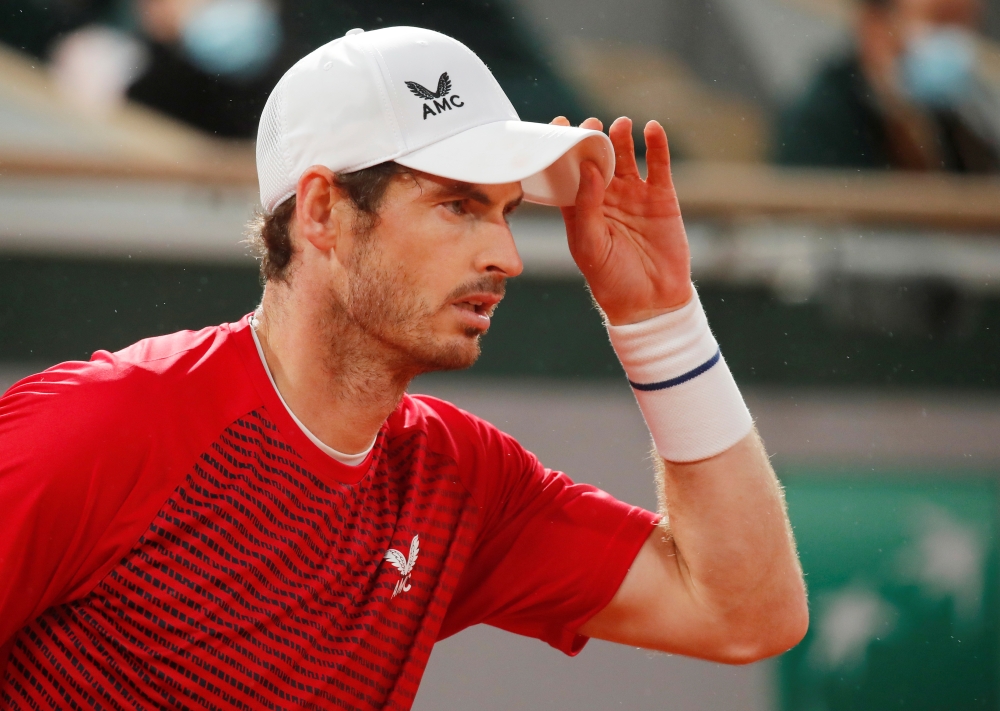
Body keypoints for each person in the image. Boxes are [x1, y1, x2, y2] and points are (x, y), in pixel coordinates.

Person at [0, 26, 808, 710]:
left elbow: (744, 613)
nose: (506, 255)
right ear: (322, 212)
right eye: (458, 204)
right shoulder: (106, 424)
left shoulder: (458, 478)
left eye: (506, 212)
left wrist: (661, 319)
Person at [775, 0, 1000, 171]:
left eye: (966, 23)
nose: (956, 42)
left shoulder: (958, 119)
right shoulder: (819, 123)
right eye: (940, 21)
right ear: (875, 26)